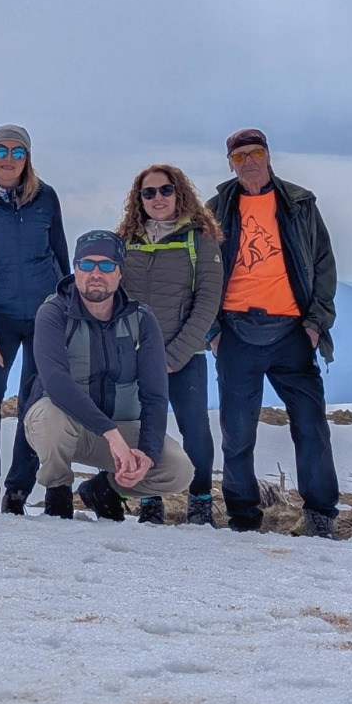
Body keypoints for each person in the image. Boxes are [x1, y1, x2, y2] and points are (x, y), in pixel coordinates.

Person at [205, 129, 340, 538]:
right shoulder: (216, 209)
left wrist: (315, 324)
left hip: (292, 332)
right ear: (230, 164)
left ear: (267, 155)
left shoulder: (299, 202)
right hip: (236, 331)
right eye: (239, 156)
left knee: (311, 426)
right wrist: (213, 332)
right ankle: (243, 518)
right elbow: (202, 273)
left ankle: (320, 516)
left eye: (255, 153)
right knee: (237, 432)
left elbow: (323, 263)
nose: (248, 162)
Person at [22, 230, 195, 521]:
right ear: (75, 269)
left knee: (178, 470)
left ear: (120, 272)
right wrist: (110, 433)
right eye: (86, 264)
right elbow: (55, 381)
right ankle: (58, 494)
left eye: (106, 265)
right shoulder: (53, 312)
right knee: (51, 418)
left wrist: (147, 452)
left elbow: (154, 394)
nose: (96, 273)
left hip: (120, 429)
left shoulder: (141, 319)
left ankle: (105, 489)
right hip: (67, 426)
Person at [0, 125, 69, 514]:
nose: (8, 158)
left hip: (45, 317)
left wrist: (68, 311)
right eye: (0, 150)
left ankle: (18, 491)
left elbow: (60, 258)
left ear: (27, 158)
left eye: (17, 152)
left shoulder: (46, 198)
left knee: (35, 403)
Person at [115, 163, 224, 525]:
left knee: (195, 429)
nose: (157, 198)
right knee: (142, 428)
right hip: (134, 355)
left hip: (184, 355)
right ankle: (150, 499)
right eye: (148, 192)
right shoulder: (125, 241)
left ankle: (201, 502)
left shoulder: (200, 239)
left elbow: (207, 303)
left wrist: (174, 356)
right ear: (139, 199)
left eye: (165, 190)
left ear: (179, 194)